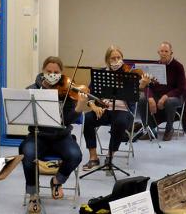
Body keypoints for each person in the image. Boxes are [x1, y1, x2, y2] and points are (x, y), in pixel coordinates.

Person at [19, 56, 87, 214]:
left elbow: (67, 121)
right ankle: (33, 194)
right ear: (43, 71)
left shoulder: (67, 91)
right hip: (38, 135)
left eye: (56, 72)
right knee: (27, 154)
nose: (52, 74)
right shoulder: (32, 90)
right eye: (49, 71)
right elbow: (25, 116)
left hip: (61, 136)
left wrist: (78, 109)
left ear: (61, 73)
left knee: (76, 155)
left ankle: (56, 181)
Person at [82, 45, 149, 171]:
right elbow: (90, 93)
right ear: (107, 60)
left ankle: (110, 156)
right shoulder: (101, 74)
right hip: (104, 109)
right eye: (113, 58)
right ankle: (93, 157)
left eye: (119, 57)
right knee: (88, 118)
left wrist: (142, 85)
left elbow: (135, 93)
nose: (116, 60)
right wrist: (93, 105)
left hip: (123, 110)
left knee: (120, 122)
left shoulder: (128, 74)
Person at [139, 41, 186, 141]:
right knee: (142, 100)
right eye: (161, 51)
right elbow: (148, 85)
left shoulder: (178, 66)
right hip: (157, 95)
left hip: (175, 96)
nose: (164, 53)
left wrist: (165, 97)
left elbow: (181, 88)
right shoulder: (154, 66)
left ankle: (169, 129)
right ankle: (150, 130)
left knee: (169, 101)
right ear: (158, 53)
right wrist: (150, 97)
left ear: (171, 53)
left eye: (166, 51)